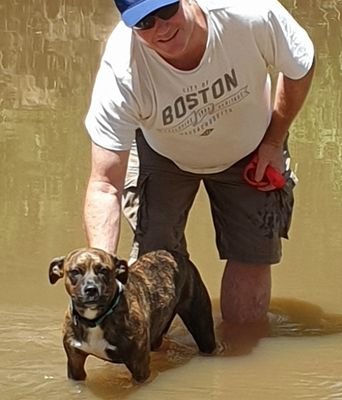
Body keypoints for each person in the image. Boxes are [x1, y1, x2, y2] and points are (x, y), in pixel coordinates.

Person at [84, 0, 315, 324]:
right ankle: (156, 356)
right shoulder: (121, 72)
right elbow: (105, 185)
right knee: (156, 260)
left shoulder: (247, 13)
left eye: (166, 10)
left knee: (251, 255)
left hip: (252, 147)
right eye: (144, 22)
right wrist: (101, 269)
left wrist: (274, 141)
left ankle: (241, 359)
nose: (161, 28)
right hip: (162, 154)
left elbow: (300, 65)